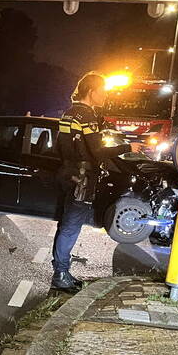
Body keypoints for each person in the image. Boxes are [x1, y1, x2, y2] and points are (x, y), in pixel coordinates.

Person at [51, 72, 141, 291]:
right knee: (71, 227)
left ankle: (63, 271)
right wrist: (128, 148)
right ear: (92, 92)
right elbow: (98, 152)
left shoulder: (68, 114)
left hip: (67, 173)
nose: (106, 96)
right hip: (82, 179)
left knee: (65, 225)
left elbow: (59, 146)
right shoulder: (87, 116)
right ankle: (60, 275)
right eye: (103, 92)